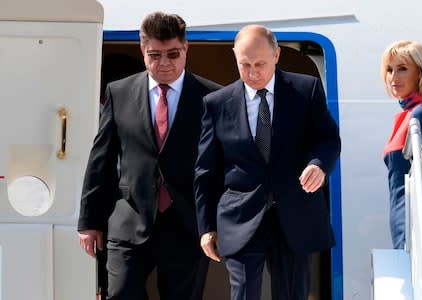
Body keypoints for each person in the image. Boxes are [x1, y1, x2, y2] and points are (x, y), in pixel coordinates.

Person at [77, 12, 221, 300]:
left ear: (186, 49)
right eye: (155, 54)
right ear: (143, 50)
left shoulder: (212, 97)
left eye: (173, 54)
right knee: (120, 295)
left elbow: (221, 165)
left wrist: (216, 224)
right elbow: (101, 161)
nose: (164, 63)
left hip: (188, 224)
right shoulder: (119, 93)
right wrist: (89, 221)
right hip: (129, 219)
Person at [194, 24, 341, 300]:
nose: (253, 72)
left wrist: (319, 165)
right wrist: (206, 228)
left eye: (260, 63)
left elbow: (329, 139)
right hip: (241, 216)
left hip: (295, 214)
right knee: (244, 294)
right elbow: (206, 170)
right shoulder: (216, 103)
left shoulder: (305, 90)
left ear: (276, 55)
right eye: (244, 64)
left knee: (293, 294)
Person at [381, 40, 422, 249]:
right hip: (404, 220)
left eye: (402, 69)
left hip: (417, 226)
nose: (393, 78)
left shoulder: (421, 114)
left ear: (420, 73)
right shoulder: (408, 115)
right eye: (390, 70)